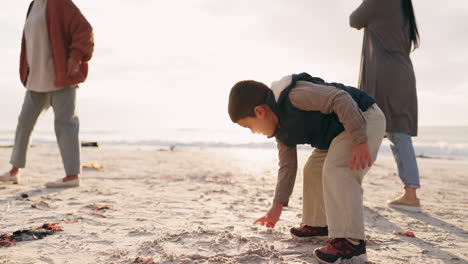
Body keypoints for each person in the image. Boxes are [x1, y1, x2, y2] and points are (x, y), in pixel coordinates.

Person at [228, 72, 386, 263]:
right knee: (312, 169)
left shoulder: (296, 96)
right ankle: (319, 225)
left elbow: (340, 98)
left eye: (249, 126)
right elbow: (287, 167)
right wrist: (277, 205)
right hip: (338, 133)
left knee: (337, 169)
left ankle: (352, 243)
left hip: (363, 118)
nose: (254, 132)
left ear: (260, 112)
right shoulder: (281, 132)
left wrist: (360, 141)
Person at [0, 0, 94, 188]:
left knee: (66, 125)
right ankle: (14, 171)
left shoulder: (60, 3)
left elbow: (84, 29)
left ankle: (72, 176)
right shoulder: (34, 5)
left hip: (61, 78)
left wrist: (75, 57)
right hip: (36, 81)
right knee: (24, 124)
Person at [350, 0, 421, 211]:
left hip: (383, 75)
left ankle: (353, 186)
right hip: (403, 74)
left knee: (367, 127)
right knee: (399, 132)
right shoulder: (403, 5)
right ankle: (411, 193)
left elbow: (354, 20)